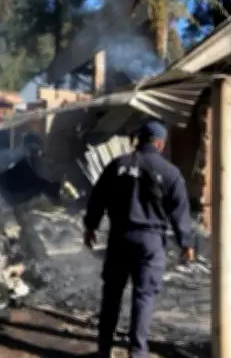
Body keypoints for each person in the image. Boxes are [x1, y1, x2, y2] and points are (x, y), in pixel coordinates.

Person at [83, 120, 195, 358]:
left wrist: (90, 226)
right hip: (151, 243)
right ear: (160, 144)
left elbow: (97, 197)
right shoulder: (170, 172)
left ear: (139, 140)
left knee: (111, 294)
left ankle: (104, 350)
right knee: (143, 297)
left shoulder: (118, 165)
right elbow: (180, 212)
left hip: (119, 239)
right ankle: (137, 353)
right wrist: (186, 243)